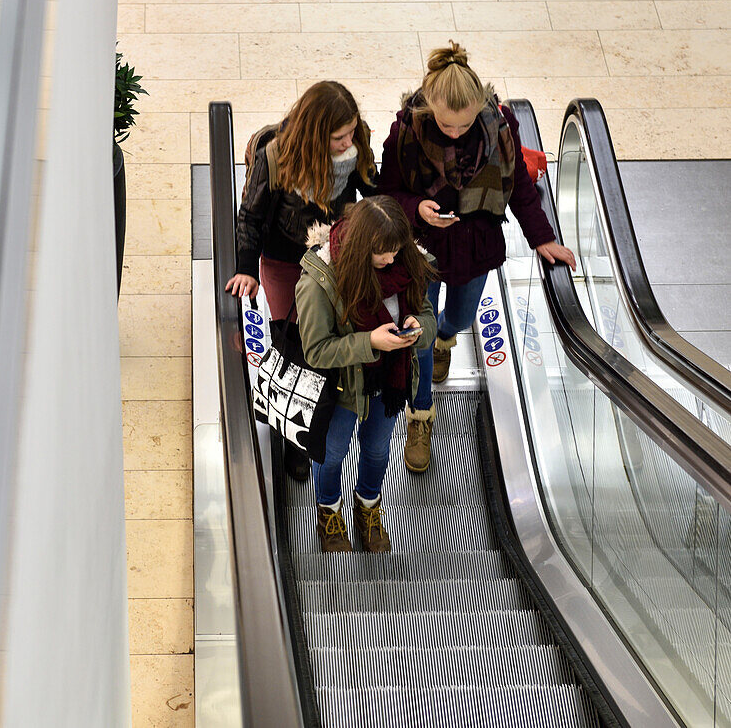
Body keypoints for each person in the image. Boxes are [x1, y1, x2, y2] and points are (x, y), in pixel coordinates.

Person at [378, 41, 575, 474]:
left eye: (464, 125)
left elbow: (519, 185)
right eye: (447, 126)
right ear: (430, 108)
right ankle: (420, 415)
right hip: (422, 249)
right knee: (419, 335)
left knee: (460, 318)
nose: (455, 133)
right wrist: (417, 209)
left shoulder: (500, 126)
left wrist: (542, 237)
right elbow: (385, 191)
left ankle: (448, 338)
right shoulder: (406, 132)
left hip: (476, 246)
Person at [226, 80, 378, 480]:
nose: (348, 143)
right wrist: (245, 266)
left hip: (331, 257)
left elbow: (374, 194)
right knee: (296, 348)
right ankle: (294, 437)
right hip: (284, 262)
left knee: (327, 341)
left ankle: (319, 421)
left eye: (351, 133)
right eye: (338, 138)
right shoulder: (276, 157)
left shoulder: (356, 144)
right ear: (315, 135)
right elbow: (252, 216)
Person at [296, 197, 437, 553]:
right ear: (361, 246)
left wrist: (421, 326)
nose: (391, 260)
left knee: (376, 451)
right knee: (332, 454)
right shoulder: (320, 281)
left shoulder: (408, 263)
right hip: (341, 391)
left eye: (396, 250)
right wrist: (368, 342)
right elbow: (316, 350)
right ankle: (329, 510)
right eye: (382, 253)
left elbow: (429, 315)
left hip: (390, 382)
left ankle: (368, 507)